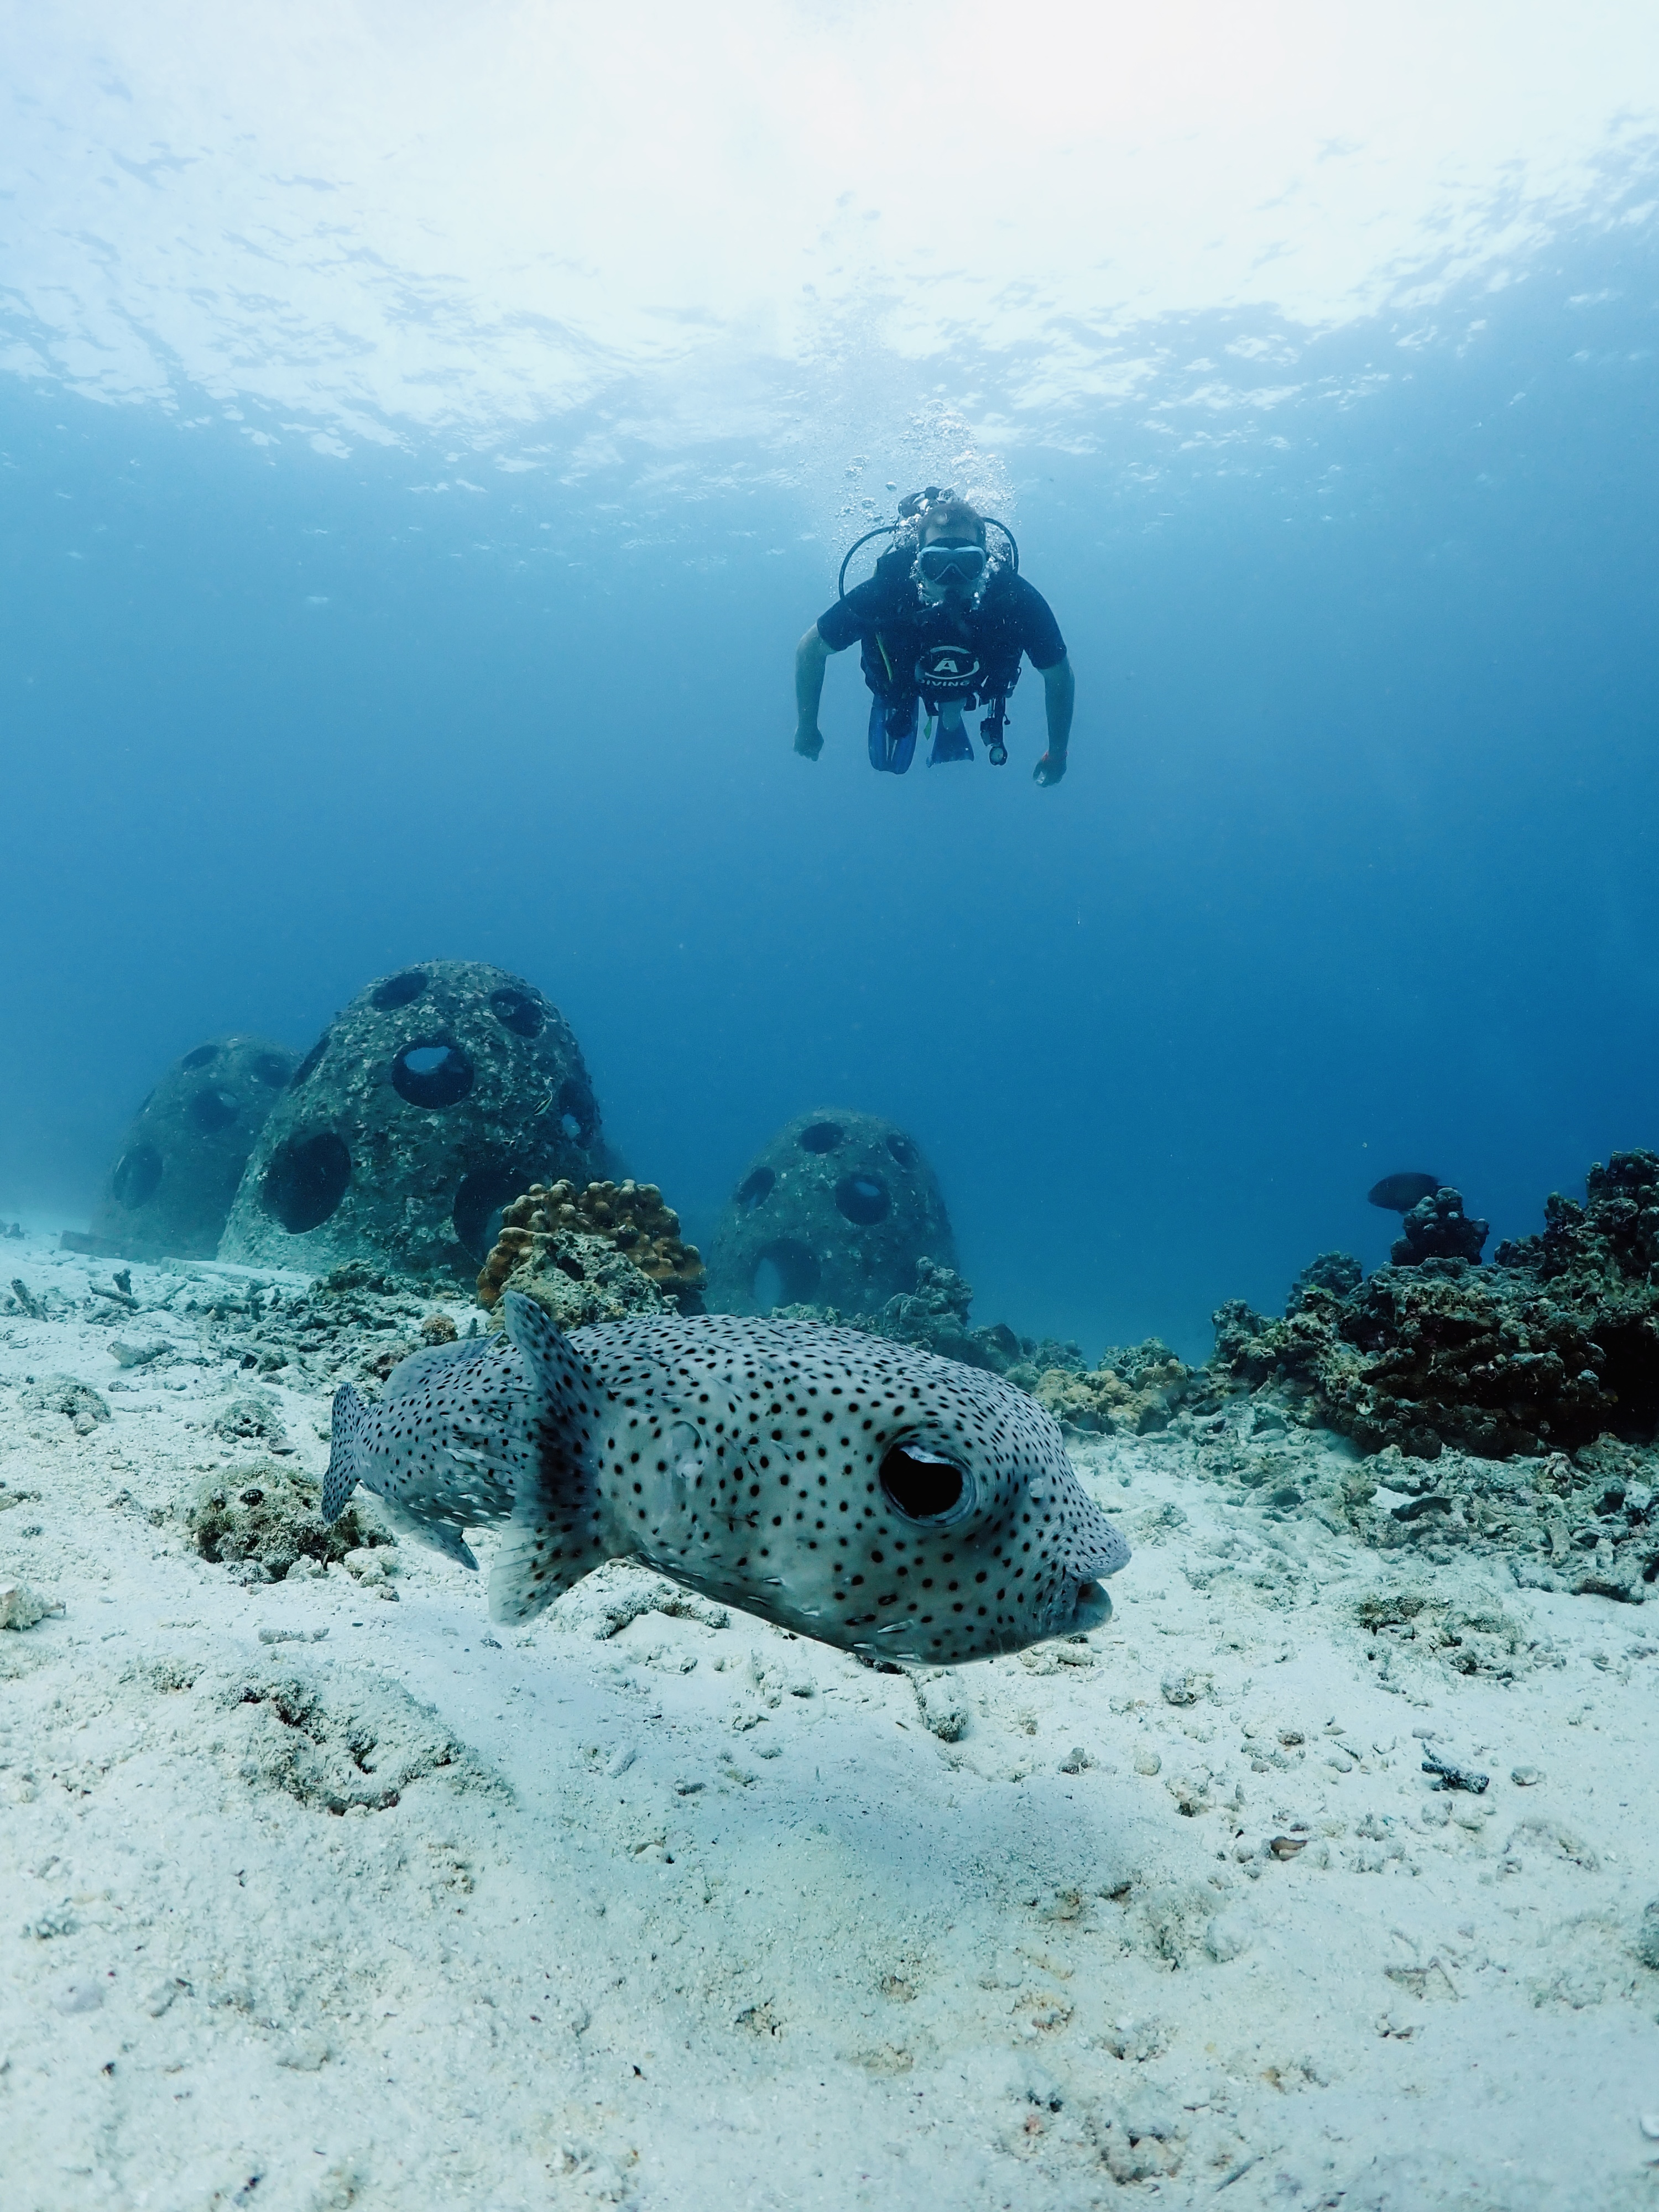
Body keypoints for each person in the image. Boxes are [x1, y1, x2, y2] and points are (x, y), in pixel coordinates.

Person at [792, 489, 1075, 784]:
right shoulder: (886, 592)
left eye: (967, 564)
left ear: (985, 561)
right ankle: (925, 713)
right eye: (937, 564)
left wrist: (1058, 753)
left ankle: (949, 720)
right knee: (892, 741)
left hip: (968, 675)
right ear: (918, 563)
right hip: (903, 678)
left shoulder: (1013, 598)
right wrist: (807, 727)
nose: (951, 578)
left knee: (956, 685)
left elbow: (1059, 674)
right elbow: (810, 649)